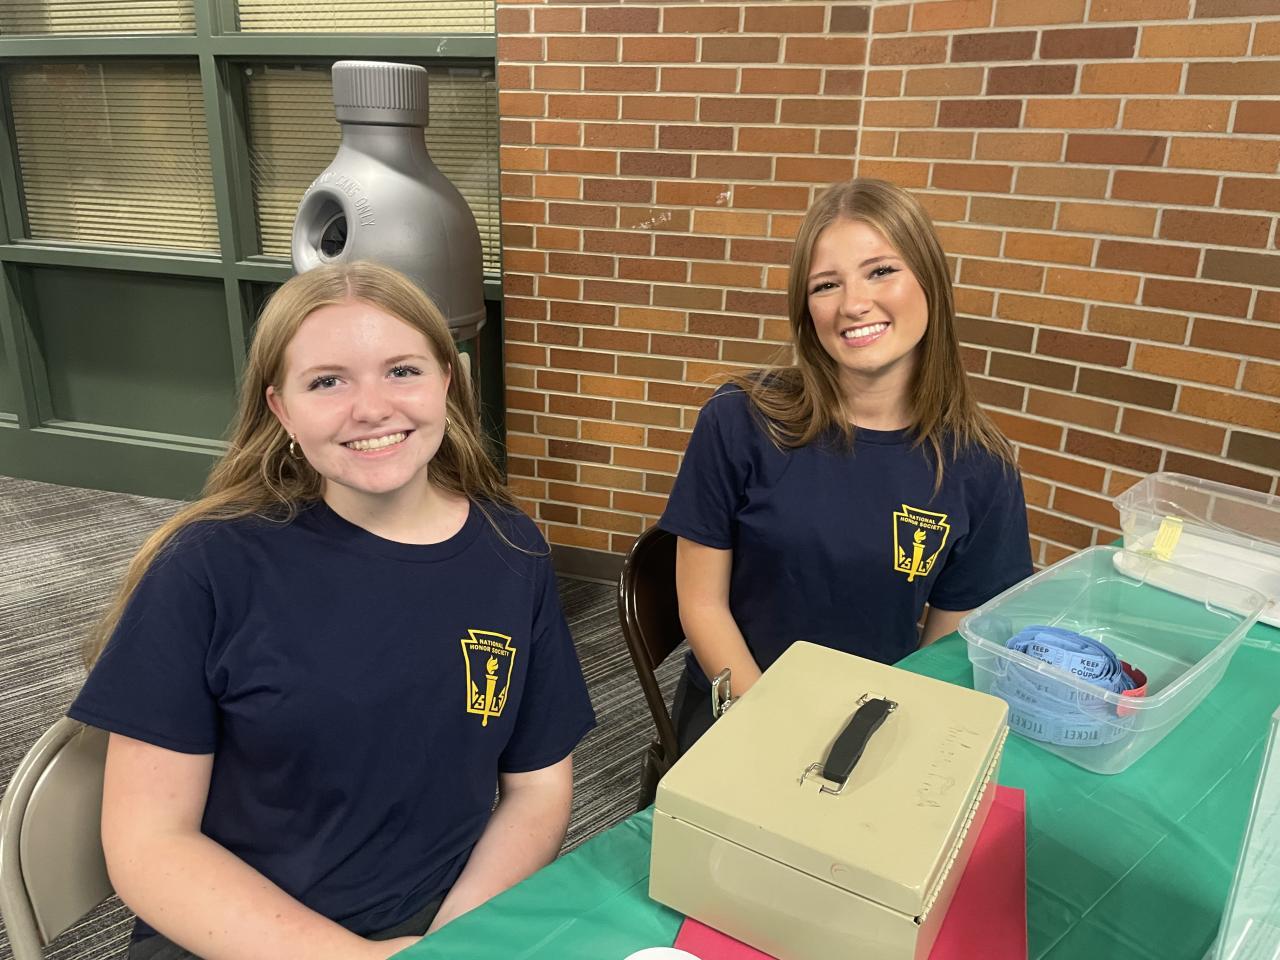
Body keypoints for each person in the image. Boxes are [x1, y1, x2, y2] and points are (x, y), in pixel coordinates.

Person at [69, 261, 596, 960]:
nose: (371, 408)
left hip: (446, 921)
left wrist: (450, 942)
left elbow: (536, 787)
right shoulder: (208, 566)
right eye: (327, 382)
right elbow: (149, 845)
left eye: (402, 371)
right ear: (282, 409)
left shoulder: (512, 549)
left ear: (448, 381)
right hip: (243, 934)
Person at [659, 178, 1033, 753]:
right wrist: (765, 723)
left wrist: (878, 740)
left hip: (873, 723)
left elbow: (944, 652)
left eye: (881, 271)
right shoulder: (739, 420)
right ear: (806, 308)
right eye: (826, 284)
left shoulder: (982, 468)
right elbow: (702, 604)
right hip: (740, 704)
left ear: (929, 280)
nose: (853, 304)